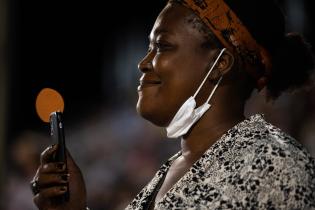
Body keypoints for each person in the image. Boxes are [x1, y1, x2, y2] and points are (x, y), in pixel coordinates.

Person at [31, 0, 315, 209]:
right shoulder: (170, 171)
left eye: (163, 46)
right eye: (149, 48)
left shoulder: (274, 165)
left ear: (220, 64)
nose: (143, 63)